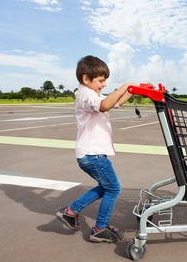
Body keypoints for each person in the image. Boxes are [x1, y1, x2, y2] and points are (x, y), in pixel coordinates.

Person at [56, 55, 133, 243]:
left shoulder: (92, 95)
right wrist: (124, 86)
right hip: (93, 155)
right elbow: (105, 104)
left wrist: (134, 89)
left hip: (91, 155)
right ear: (85, 79)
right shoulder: (86, 95)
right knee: (114, 189)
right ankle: (99, 228)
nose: (104, 84)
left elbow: (116, 102)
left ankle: (70, 212)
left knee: (105, 187)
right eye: (101, 80)